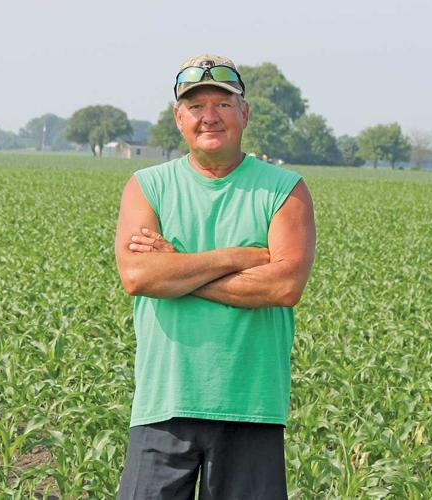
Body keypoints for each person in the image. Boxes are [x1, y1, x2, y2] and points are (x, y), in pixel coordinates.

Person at [114, 54, 316, 499]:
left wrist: (179, 270)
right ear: (178, 118)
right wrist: (237, 257)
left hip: (251, 405)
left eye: (223, 105)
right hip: (164, 401)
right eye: (195, 106)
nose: (209, 117)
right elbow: (137, 275)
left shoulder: (284, 190)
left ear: (244, 113)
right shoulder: (147, 186)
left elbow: (284, 285)